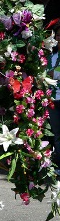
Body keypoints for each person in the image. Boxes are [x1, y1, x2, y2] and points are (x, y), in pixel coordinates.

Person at [47, 23, 60, 176]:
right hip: (53, 100)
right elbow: (45, 74)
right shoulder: (51, 57)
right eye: (57, 36)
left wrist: (53, 74)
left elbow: (52, 74)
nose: (59, 38)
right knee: (57, 135)